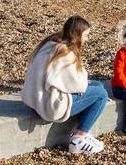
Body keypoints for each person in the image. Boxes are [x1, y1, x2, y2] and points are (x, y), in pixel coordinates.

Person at [22, 16, 107, 155]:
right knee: (101, 94)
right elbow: (79, 84)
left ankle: (84, 130)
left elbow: (66, 79)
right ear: (77, 34)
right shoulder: (65, 52)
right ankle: (79, 138)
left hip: (35, 98)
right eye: (86, 35)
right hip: (49, 105)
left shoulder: (50, 43)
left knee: (97, 84)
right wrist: (83, 83)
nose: (87, 39)